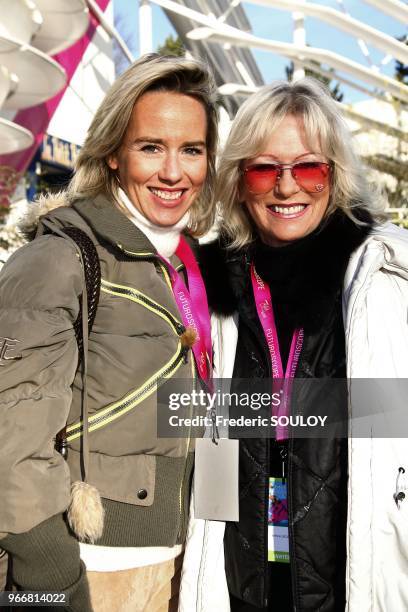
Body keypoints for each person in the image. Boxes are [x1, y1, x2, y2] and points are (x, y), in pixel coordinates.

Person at [180, 78, 408, 611]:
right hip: (239, 578)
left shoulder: (385, 282)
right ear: (239, 181)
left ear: (335, 176)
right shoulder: (205, 290)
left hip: (355, 576)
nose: (287, 188)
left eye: (308, 167)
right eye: (264, 169)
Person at [0, 53, 218, 611]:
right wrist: (54, 582)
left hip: (166, 567)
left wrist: (361, 411)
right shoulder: (61, 259)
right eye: (151, 147)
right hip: (88, 572)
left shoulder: (175, 269)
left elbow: (171, 414)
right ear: (114, 153)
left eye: (191, 150)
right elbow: (8, 450)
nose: (174, 172)